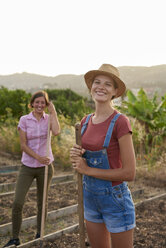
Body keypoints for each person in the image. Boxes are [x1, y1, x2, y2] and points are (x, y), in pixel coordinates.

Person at [70, 64, 136, 248]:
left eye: (108, 84)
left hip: (115, 201)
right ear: (91, 88)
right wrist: (76, 155)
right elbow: (80, 162)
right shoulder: (84, 122)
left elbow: (129, 173)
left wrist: (87, 169)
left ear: (115, 92)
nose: (101, 87)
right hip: (89, 198)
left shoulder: (120, 122)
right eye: (97, 82)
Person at [3, 91, 60, 247]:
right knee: (17, 203)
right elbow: (23, 145)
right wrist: (38, 157)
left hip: (46, 167)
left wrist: (53, 111)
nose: (40, 105)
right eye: (37, 102)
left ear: (46, 104)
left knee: (42, 203)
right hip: (28, 166)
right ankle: (15, 237)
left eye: (43, 103)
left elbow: (56, 132)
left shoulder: (49, 119)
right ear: (32, 104)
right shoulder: (24, 120)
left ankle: (40, 234)